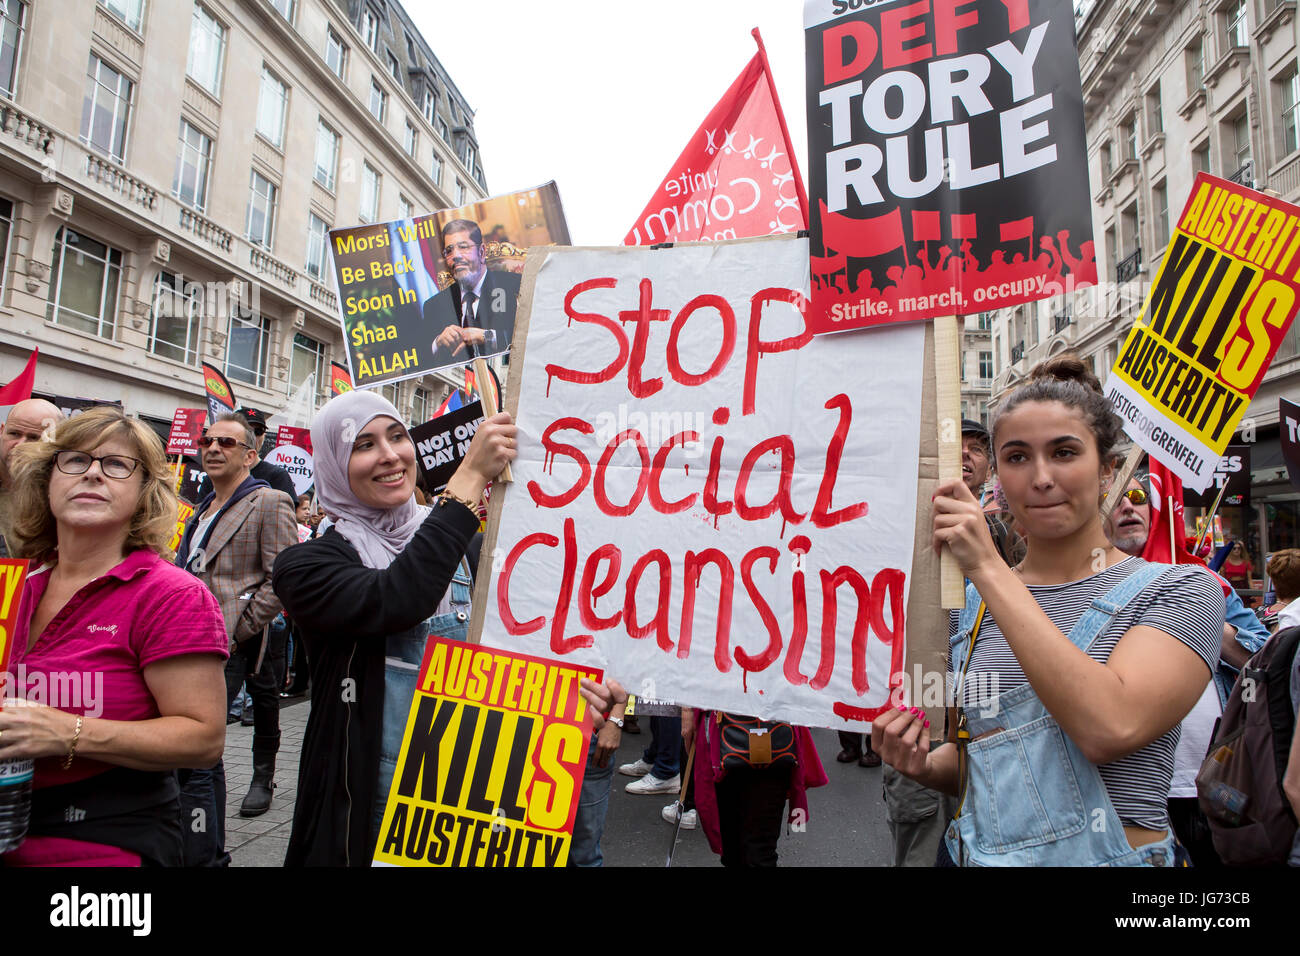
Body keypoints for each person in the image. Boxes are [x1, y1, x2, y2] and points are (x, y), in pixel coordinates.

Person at [875, 355, 1224, 867]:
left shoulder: (1180, 590)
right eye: (1017, 457)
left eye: (1064, 452)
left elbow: (1110, 725)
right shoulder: (968, 610)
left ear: (1106, 469)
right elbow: (983, 757)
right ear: (999, 473)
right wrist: (922, 764)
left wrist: (989, 569)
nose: (1041, 478)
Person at [270, 391, 616, 865]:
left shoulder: (470, 551)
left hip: (469, 801)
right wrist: (470, 477)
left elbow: (514, 661)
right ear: (333, 464)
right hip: (371, 806)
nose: (390, 455)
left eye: (397, 436)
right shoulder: (306, 565)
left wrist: (575, 696)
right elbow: (397, 597)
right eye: (364, 445)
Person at [0, 407, 227, 866]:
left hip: (102, 840)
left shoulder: (171, 595)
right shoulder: (13, 587)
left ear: (144, 492)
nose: (93, 474)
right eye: (75, 460)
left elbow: (203, 739)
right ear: (47, 481)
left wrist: (68, 732)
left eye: (117, 465)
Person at [1102, 472, 1268, 866]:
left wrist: (1205, 616)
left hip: (1216, 782)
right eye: (1113, 499)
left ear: (1157, 510)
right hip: (1131, 793)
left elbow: (1265, 659)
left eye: (1138, 496)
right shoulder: (1093, 589)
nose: (1127, 505)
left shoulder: (1207, 583)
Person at [175, 413, 297, 859]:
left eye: (225, 442)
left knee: (197, 751)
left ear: (250, 455)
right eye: (207, 440)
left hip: (224, 646)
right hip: (181, 643)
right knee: (198, 753)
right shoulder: (202, 505)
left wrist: (237, 629)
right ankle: (202, 846)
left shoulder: (269, 501)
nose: (212, 448)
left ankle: (208, 851)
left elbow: (282, 578)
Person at [423, 219, 521, 368]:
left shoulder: (515, 288)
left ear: (481, 252)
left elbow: (529, 340)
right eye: (449, 250)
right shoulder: (433, 305)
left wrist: (485, 336)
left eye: (463, 247)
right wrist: (438, 342)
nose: (455, 255)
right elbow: (419, 360)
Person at [0, 398, 65, 557]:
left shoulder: (65, 496)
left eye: (34, 438)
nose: (20, 445)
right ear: (1, 431)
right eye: (14, 434)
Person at [192, 407, 296, 504]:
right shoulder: (213, 478)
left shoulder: (277, 476)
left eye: (258, 431)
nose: (253, 437)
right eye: (206, 441)